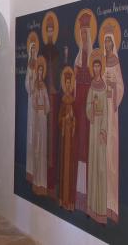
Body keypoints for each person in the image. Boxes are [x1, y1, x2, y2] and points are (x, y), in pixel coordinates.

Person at [99, 18, 124, 223]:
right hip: (101, 112)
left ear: (112, 43)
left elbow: (122, 87)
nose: (107, 45)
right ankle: (100, 201)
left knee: (110, 157)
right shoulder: (99, 60)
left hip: (111, 111)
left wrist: (113, 87)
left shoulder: (115, 62)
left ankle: (111, 204)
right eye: (105, 42)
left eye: (109, 42)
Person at [73, 9, 94, 212]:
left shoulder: (95, 60)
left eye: (87, 34)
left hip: (91, 111)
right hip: (79, 108)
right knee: (79, 146)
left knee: (88, 149)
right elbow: (72, 84)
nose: (85, 38)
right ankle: (78, 190)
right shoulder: (79, 59)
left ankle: (89, 193)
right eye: (82, 34)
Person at [86, 49, 108, 224]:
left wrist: (103, 130)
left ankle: (101, 209)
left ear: (101, 69)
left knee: (100, 168)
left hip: (100, 131)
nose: (96, 70)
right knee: (92, 166)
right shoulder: (92, 85)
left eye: (98, 67)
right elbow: (87, 109)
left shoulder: (104, 86)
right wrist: (91, 107)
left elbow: (107, 111)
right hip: (93, 127)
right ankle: (91, 207)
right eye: (94, 67)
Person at [41, 12, 60, 197]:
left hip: (53, 97)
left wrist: (54, 86)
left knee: (53, 139)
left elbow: (59, 73)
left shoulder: (56, 52)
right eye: (47, 29)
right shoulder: (42, 52)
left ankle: (52, 180)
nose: (49, 32)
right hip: (44, 97)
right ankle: (43, 178)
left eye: (52, 29)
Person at [58, 67, 76, 210]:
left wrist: (73, 120)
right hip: (65, 141)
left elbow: (76, 118)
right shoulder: (64, 101)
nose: (69, 85)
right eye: (67, 83)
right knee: (64, 166)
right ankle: (62, 199)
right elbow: (59, 119)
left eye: (70, 83)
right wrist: (65, 119)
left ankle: (69, 201)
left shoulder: (73, 101)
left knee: (71, 168)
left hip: (71, 139)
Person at [31, 56, 50, 196]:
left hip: (42, 118)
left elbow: (47, 106)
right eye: (38, 71)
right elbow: (33, 103)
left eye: (41, 71)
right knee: (36, 149)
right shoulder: (35, 88)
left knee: (42, 148)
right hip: (37, 118)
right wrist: (37, 104)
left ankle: (42, 183)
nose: (39, 73)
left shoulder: (44, 87)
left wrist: (42, 105)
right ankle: (36, 181)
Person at [25, 31, 39, 183]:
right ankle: (30, 170)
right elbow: (27, 84)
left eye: (35, 50)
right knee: (31, 133)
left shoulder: (39, 64)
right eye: (32, 50)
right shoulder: (30, 66)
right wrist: (30, 83)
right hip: (31, 101)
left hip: (39, 101)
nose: (34, 52)